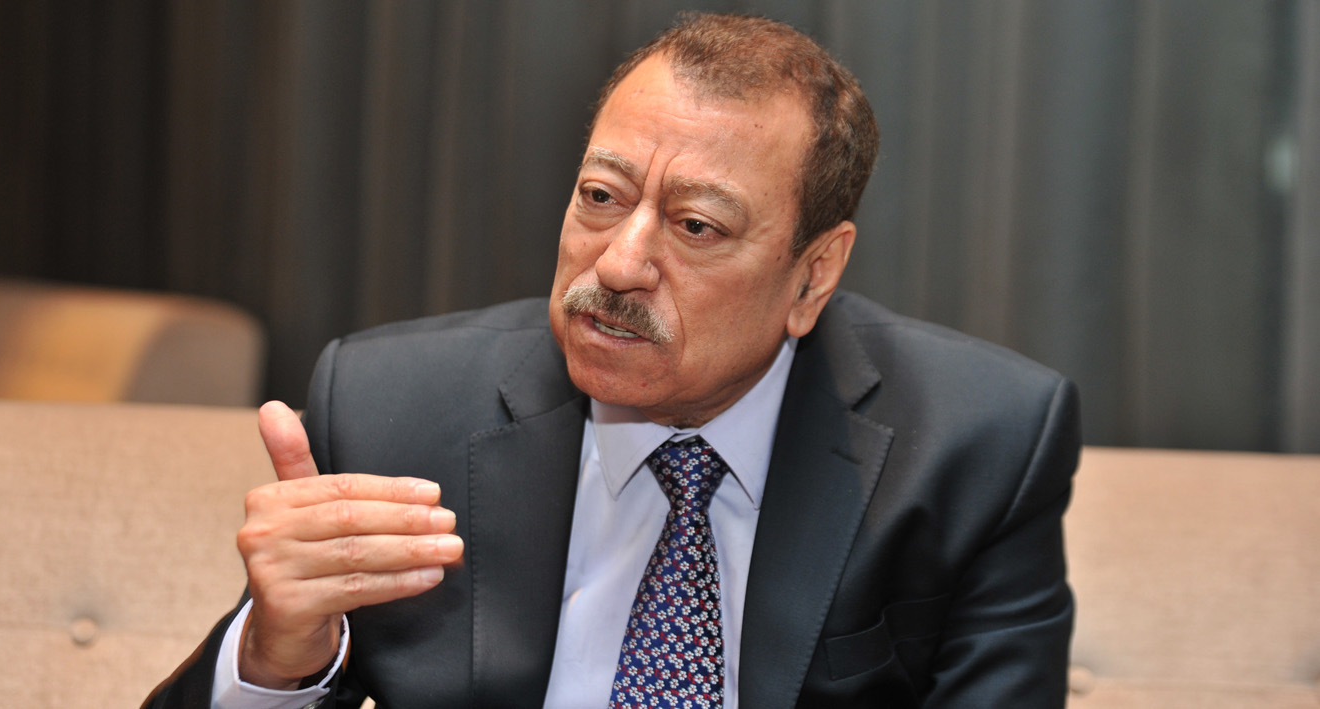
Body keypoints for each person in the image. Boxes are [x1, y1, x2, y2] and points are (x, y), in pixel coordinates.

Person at [146, 12, 1079, 709]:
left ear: (812, 275)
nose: (620, 263)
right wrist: (274, 662)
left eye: (696, 226)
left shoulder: (976, 445)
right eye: (601, 196)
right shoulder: (393, 407)